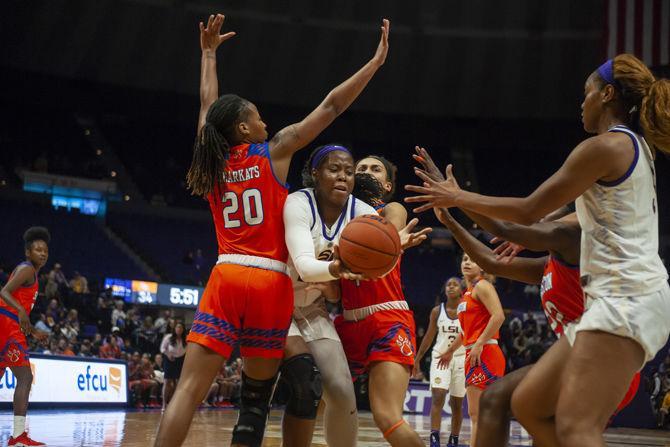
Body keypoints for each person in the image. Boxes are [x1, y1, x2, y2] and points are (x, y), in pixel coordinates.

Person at [407, 54, 670, 446]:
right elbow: (538, 221)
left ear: (607, 94)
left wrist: (458, 195)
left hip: (626, 298)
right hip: (617, 300)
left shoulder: (605, 146)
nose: (582, 103)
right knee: (528, 404)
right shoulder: (631, 150)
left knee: (574, 427)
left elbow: (530, 209)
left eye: (587, 93)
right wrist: (459, 204)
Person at [154, 12, 391, 447]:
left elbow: (207, 108)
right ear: (245, 128)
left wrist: (208, 55)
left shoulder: (211, 159)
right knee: (256, 397)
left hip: (226, 274)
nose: (265, 123)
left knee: (187, 391)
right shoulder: (274, 151)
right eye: (258, 118)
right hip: (270, 281)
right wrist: (374, 65)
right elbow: (332, 106)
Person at [335, 156, 430, 447]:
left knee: (387, 417)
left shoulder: (390, 208)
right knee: (316, 403)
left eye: (374, 169)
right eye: (360, 168)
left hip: (387, 318)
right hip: (347, 320)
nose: (365, 172)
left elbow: (395, 226)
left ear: (387, 184)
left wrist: (392, 239)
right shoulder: (336, 216)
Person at [437, 254, 505, 447]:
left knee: (479, 414)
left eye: (472, 259)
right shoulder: (466, 294)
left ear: (482, 266)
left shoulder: (483, 286)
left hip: (486, 352)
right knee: (477, 414)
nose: (467, 262)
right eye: (464, 259)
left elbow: (498, 316)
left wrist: (479, 343)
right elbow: (465, 332)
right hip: (473, 352)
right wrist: (450, 350)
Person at [0, 227, 51, 447]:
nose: (42, 253)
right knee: (25, 377)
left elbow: (17, 311)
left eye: (45, 250)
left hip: (8, 323)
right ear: (28, 253)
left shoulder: (32, 272)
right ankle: (18, 437)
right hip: (7, 325)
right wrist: (21, 311)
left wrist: (33, 331)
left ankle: (18, 437)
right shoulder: (27, 269)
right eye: (37, 249)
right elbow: (3, 292)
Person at [413, 277, 465, 447]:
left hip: (460, 359)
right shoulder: (437, 311)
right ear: (445, 290)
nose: (451, 287)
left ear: (461, 289)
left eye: (455, 284)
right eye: (448, 284)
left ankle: (454, 440)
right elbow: (429, 337)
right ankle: (434, 439)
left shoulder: (467, 309)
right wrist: (417, 359)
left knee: (457, 404)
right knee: (438, 396)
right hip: (440, 358)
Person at [160, 322, 187, 408]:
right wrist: (168, 354)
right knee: (167, 381)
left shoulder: (185, 339)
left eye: (181, 328)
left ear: (183, 330)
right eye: (177, 327)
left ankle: (175, 403)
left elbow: (187, 350)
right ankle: (164, 404)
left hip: (180, 360)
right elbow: (162, 348)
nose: (179, 329)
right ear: (174, 329)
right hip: (169, 359)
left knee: (179, 382)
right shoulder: (168, 337)